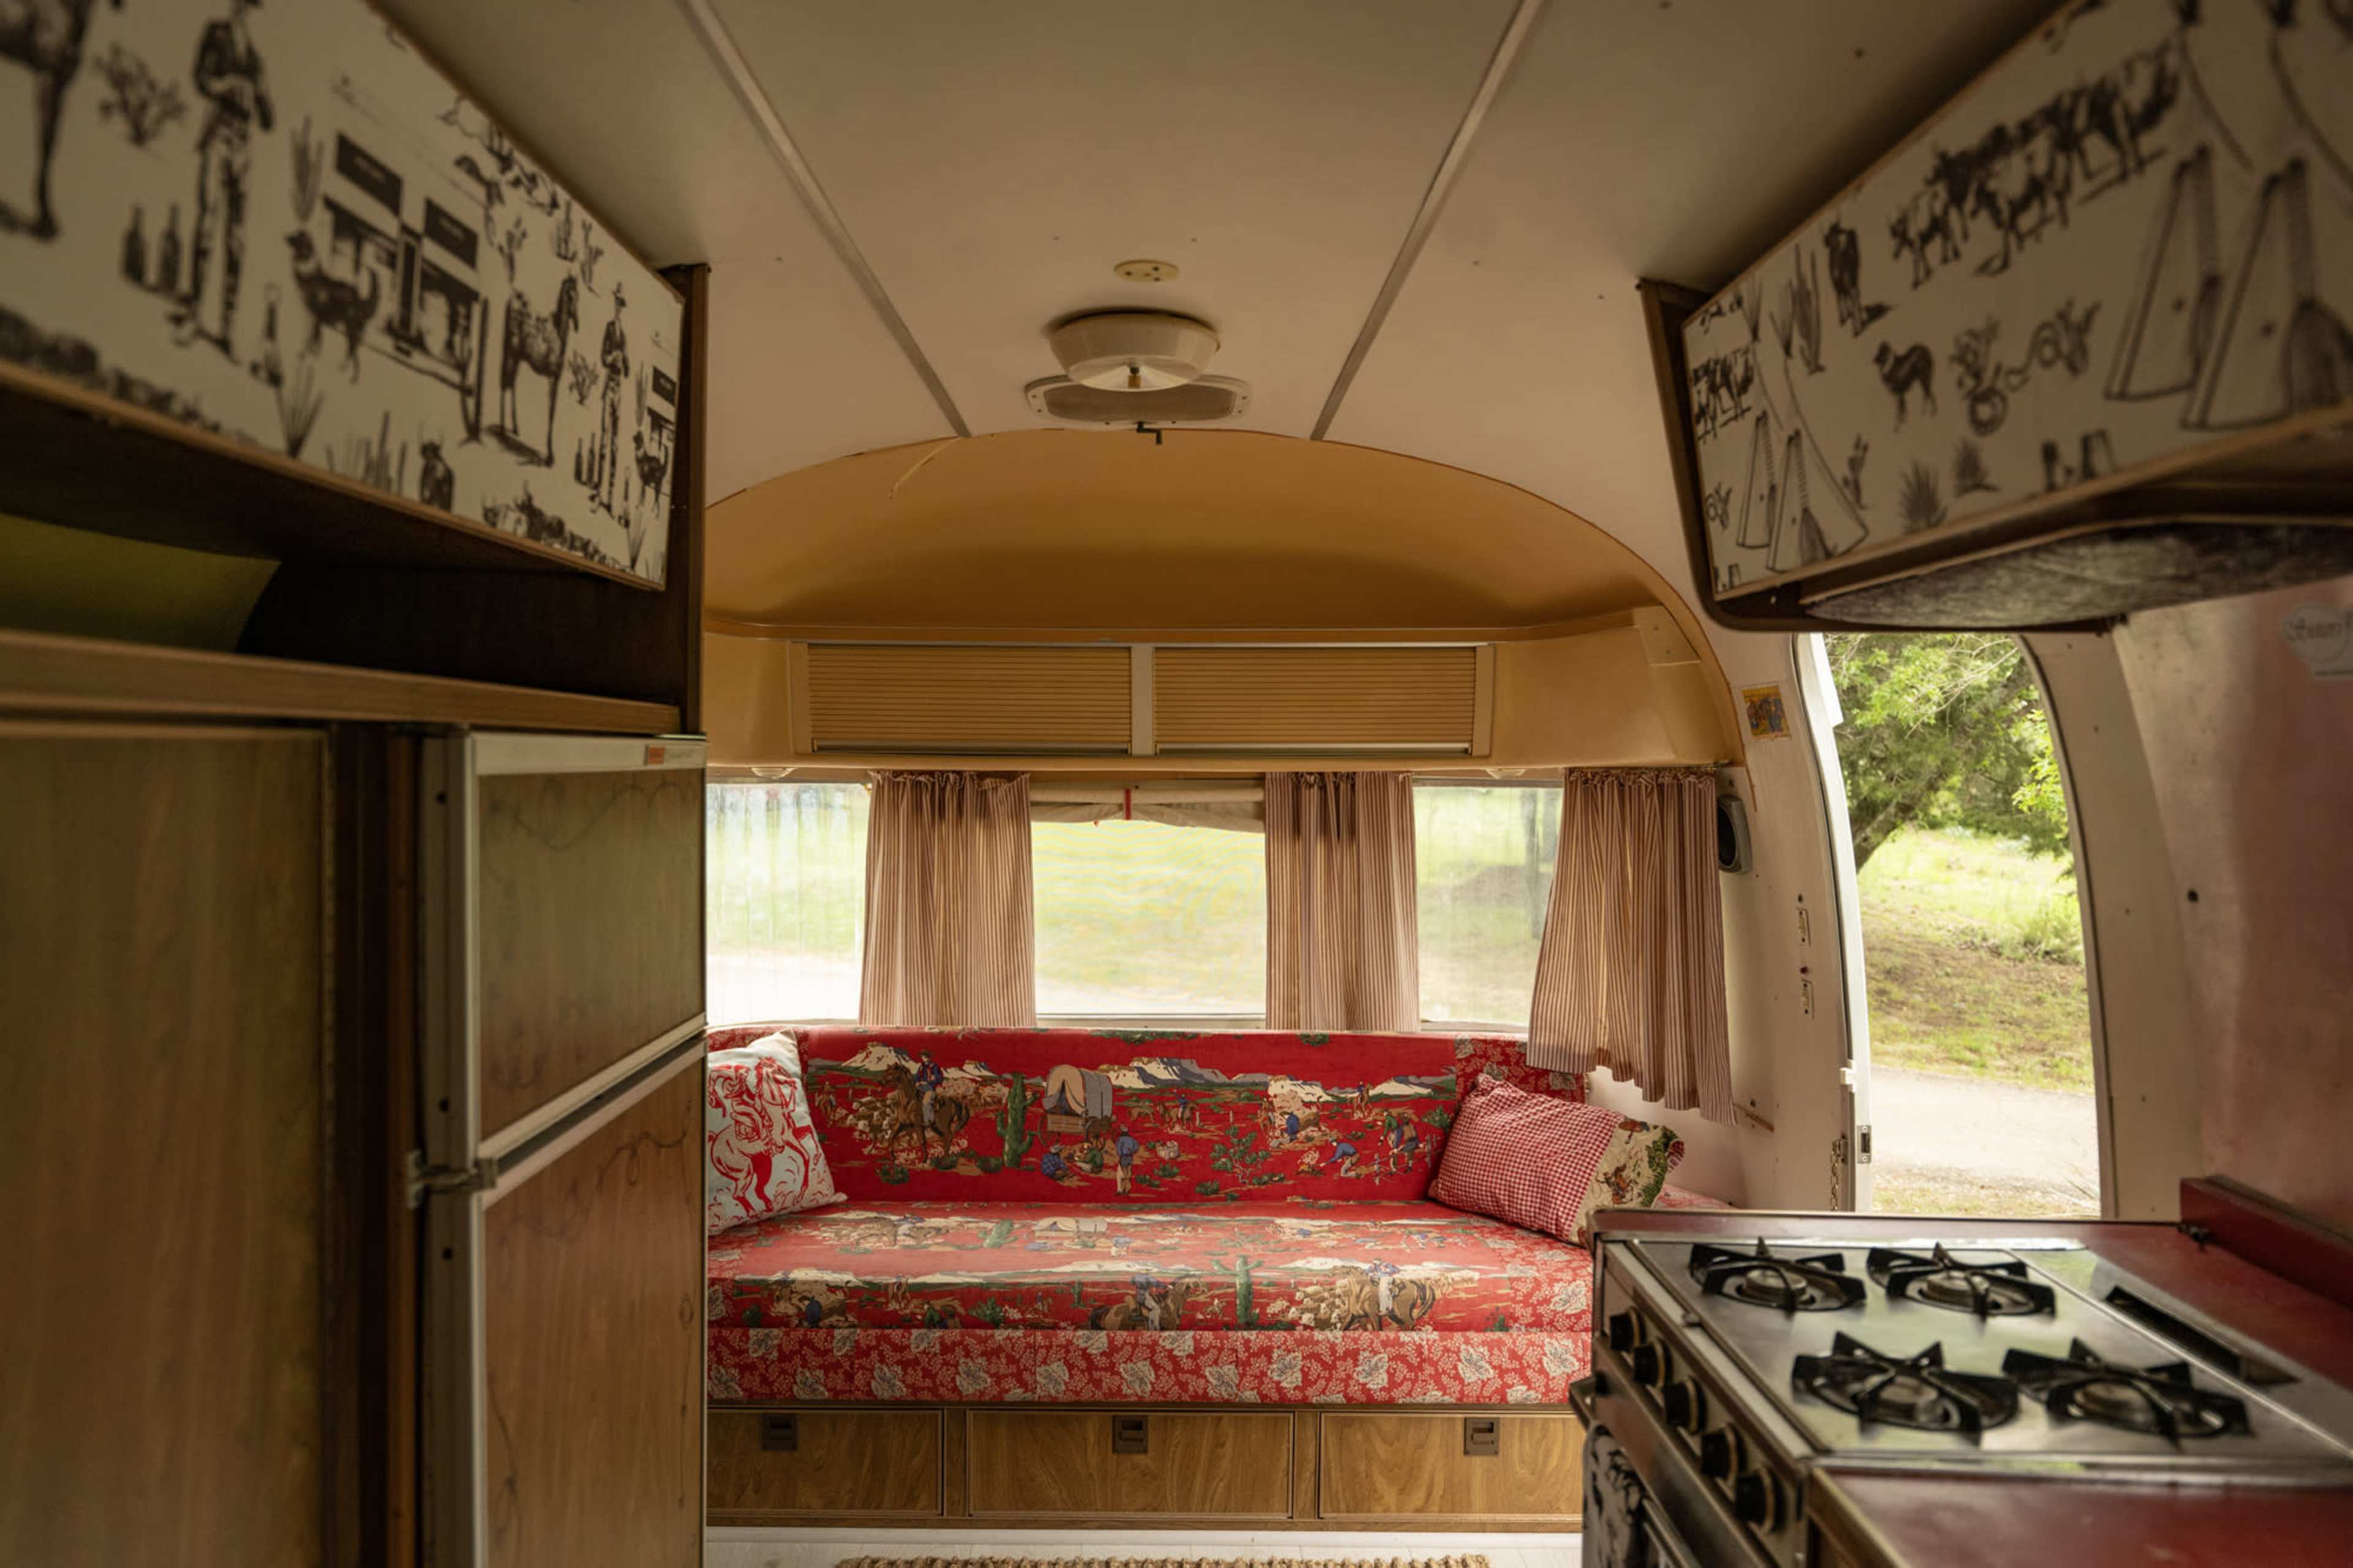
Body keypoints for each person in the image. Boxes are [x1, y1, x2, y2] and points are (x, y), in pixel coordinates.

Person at [181, 0, 273, 354]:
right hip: (218, 132)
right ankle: (194, 312)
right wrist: (227, 85)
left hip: (243, 146)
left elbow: (269, 119)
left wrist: (261, 94)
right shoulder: (216, 33)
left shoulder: (256, 57)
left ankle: (228, 327)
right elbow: (201, 79)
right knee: (207, 221)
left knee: (236, 237)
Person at [597, 284, 629, 509]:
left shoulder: (624, 335)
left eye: (621, 305)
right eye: (617, 304)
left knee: (616, 443)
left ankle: (609, 496)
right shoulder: (609, 329)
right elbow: (603, 357)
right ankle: (599, 491)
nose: (618, 308)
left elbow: (627, 370)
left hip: (619, 389)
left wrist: (624, 359)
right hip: (609, 386)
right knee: (604, 438)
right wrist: (613, 357)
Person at [1114, 1126, 1140, 1194]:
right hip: (1130, 1157)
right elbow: (1137, 1146)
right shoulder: (1132, 1139)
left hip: (1123, 1157)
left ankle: (1124, 1189)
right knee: (1129, 1172)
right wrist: (1132, 1152)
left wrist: (1120, 1155)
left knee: (1124, 1173)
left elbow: (1119, 1149)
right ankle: (1127, 1189)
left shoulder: (1120, 1139)